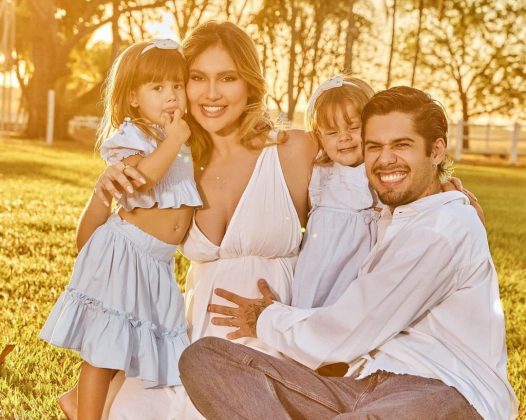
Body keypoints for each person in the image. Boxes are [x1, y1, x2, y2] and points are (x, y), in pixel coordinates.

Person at [185, 86, 518, 419]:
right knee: (205, 359)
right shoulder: (391, 215)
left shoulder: (443, 228)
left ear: (436, 151)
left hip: (438, 387)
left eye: (402, 145)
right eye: (374, 146)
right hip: (358, 387)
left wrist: (267, 318)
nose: (385, 159)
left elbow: (350, 326)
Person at [73, 21, 317, 419]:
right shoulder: (177, 165)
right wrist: (102, 187)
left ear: (250, 84)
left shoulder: (293, 150)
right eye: (197, 78)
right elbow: (114, 247)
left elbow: (364, 217)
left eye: (228, 78)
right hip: (188, 340)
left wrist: (443, 185)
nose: (212, 93)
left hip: (272, 338)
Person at [40, 39, 202, 419]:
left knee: (130, 343)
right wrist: (176, 139)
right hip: (126, 252)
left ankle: (77, 398)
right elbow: (140, 180)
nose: (171, 96)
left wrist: (179, 138)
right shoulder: (134, 136)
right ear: (132, 98)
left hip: (157, 263)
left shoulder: (177, 136)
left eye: (177, 86)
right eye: (157, 88)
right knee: (105, 346)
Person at [291, 74, 379, 310]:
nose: (344, 137)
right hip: (320, 267)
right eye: (332, 132)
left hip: (358, 273)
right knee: (310, 311)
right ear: (319, 136)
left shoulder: (379, 171)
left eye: (354, 127)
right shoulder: (320, 172)